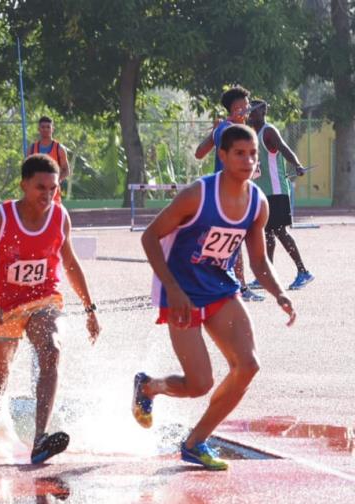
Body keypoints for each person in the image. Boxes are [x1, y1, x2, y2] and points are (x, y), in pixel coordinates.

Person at [133, 124, 296, 471]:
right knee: (199, 385)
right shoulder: (197, 195)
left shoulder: (257, 203)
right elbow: (150, 237)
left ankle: (195, 443)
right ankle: (149, 387)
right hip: (181, 293)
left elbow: (258, 261)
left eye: (253, 154)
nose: (249, 160)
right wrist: (174, 290)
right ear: (222, 156)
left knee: (248, 365)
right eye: (240, 153)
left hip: (220, 288)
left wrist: (279, 292)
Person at [0, 154, 101, 465]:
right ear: (24, 185)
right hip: (2, 310)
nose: (47, 195)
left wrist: (90, 309)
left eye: (53, 188)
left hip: (44, 301)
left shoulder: (61, 217)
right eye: (40, 188)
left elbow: (71, 264)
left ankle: (40, 438)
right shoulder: (2, 216)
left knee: (51, 350)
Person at [194, 85, 263, 301]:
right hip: (225, 192)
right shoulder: (227, 130)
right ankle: (240, 288)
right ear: (230, 111)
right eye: (239, 107)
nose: (244, 110)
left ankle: (217, 284)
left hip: (232, 190)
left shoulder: (228, 128)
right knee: (234, 238)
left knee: (225, 239)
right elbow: (200, 153)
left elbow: (200, 152)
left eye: (246, 106)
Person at [246, 100, 315, 290]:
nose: (250, 114)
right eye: (249, 111)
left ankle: (303, 272)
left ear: (262, 111)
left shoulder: (268, 131)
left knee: (279, 232)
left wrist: (298, 165)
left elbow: (284, 148)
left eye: (253, 111)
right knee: (267, 233)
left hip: (276, 191)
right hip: (263, 192)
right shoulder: (252, 133)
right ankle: (266, 276)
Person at [27, 116, 70, 201]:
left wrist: (56, 180)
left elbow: (66, 170)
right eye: (43, 127)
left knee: (54, 213)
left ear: (52, 129)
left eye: (48, 127)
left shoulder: (59, 149)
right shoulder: (32, 149)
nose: (45, 129)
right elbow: (27, 171)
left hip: (53, 194)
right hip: (36, 194)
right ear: (38, 129)